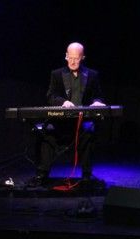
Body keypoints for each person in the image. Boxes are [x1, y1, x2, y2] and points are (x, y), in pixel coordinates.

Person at [33, 42, 105, 185]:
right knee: (47, 135)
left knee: (88, 134)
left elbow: (98, 95)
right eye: (69, 58)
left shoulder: (92, 75)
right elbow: (51, 96)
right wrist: (63, 102)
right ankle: (42, 174)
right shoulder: (57, 74)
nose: (72, 61)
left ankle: (86, 176)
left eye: (76, 58)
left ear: (82, 57)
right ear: (66, 56)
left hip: (82, 121)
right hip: (61, 122)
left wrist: (97, 102)